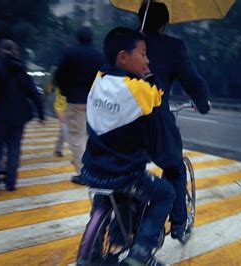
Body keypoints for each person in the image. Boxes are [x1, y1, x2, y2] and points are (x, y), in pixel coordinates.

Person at [81, 27, 174, 266]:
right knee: (166, 193)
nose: (147, 60)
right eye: (143, 54)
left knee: (103, 198)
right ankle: (139, 255)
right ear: (123, 57)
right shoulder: (140, 91)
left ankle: (90, 252)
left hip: (92, 170)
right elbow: (158, 97)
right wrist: (150, 76)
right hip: (125, 174)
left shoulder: (98, 80)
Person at [138, 1, 211, 241]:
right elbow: (192, 80)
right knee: (174, 168)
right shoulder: (172, 47)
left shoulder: (125, 43)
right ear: (164, 25)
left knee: (125, 167)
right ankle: (178, 222)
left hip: (118, 121)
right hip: (156, 122)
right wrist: (202, 103)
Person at [0, 39, 45, 194]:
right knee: (14, 148)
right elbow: (33, 92)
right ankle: (11, 184)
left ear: (0, 51)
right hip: (19, 117)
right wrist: (41, 113)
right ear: (15, 52)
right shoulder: (21, 69)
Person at [55, 26, 105, 184]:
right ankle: (96, 169)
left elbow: (59, 74)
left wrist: (64, 91)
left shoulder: (70, 54)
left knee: (77, 137)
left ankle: (84, 174)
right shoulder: (100, 56)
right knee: (92, 137)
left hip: (76, 100)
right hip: (95, 102)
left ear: (77, 38)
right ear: (92, 38)